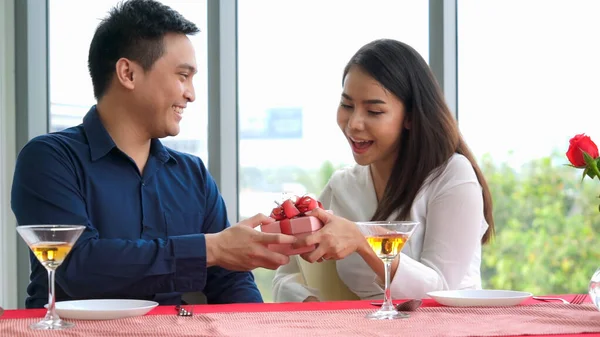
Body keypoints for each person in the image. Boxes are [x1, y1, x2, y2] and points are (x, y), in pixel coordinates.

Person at [11, 0, 296, 309]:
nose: (191, 94)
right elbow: (77, 267)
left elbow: (230, 279)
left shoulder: (193, 175)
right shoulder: (49, 160)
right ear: (128, 73)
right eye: (182, 76)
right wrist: (207, 249)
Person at [272, 39, 494, 302]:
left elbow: (441, 294)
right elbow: (287, 276)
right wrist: (313, 307)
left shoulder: (452, 177)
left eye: (374, 111)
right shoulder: (343, 185)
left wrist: (362, 241)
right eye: (347, 105)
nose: (353, 123)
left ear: (410, 117)